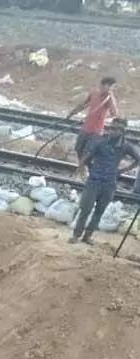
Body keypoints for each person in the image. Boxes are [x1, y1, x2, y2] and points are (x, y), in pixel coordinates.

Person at [71, 117, 139, 245]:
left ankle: (87, 237)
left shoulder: (125, 146)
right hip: (94, 182)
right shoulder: (100, 142)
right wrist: (89, 168)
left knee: (99, 212)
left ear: (122, 131)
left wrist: (122, 171)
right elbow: (85, 158)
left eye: (115, 129)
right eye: (110, 128)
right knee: (85, 209)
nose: (111, 131)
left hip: (109, 184)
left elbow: (138, 159)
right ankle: (76, 235)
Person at [68, 77, 118, 174]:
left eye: (112, 87)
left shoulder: (109, 98)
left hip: (96, 131)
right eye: (110, 86)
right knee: (78, 149)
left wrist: (103, 115)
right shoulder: (94, 93)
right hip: (86, 127)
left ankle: (88, 172)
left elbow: (114, 112)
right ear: (103, 85)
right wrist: (72, 113)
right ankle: (83, 171)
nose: (111, 89)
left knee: (88, 154)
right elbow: (83, 104)